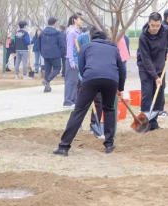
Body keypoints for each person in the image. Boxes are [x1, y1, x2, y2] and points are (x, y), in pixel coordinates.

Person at [53, 28, 126, 156]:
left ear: (91, 37)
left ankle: (63, 147)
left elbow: (82, 68)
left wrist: (88, 78)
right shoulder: (113, 48)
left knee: (79, 111)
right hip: (111, 80)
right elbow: (122, 69)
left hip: (90, 78)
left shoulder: (85, 47)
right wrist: (120, 88)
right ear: (105, 38)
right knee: (109, 109)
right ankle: (109, 145)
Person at [41, 17, 66, 92]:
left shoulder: (43, 32)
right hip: (55, 54)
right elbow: (62, 44)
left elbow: (39, 43)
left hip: (45, 54)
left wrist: (42, 52)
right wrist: (62, 53)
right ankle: (47, 80)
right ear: (55, 24)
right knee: (57, 68)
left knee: (47, 70)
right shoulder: (57, 33)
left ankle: (47, 87)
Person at [64, 13, 84, 107]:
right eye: (80, 19)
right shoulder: (72, 32)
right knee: (70, 81)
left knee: (76, 81)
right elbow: (70, 48)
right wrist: (71, 61)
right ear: (75, 20)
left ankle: (74, 99)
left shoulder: (79, 32)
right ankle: (67, 101)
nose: (82, 21)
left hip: (77, 59)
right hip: (71, 60)